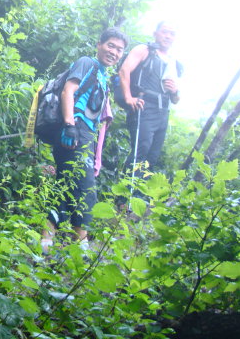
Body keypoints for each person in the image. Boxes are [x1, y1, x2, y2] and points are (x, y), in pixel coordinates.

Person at [41, 28, 128, 253]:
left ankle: (45, 241)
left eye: (119, 50)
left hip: (83, 136)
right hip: (73, 132)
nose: (114, 52)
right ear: (99, 44)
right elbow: (68, 91)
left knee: (66, 186)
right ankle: (82, 248)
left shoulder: (102, 75)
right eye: (110, 45)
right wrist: (69, 125)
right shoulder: (86, 62)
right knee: (86, 189)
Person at [118, 22, 181, 180]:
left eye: (172, 34)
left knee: (152, 157)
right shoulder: (144, 50)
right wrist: (128, 97)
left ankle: (138, 198)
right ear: (156, 33)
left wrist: (175, 91)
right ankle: (123, 200)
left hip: (163, 112)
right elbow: (124, 70)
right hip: (144, 107)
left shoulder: (174, 62)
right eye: (165, 32)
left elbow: (176, 100)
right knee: (140, 151)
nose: (168, 36)